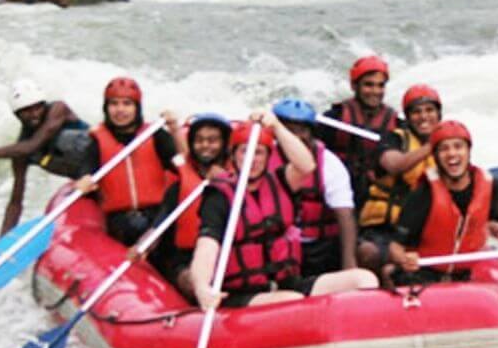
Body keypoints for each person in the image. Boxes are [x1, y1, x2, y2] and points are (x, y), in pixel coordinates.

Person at [190, 112, 377, 310]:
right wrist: (202, 287)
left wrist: (277, 127)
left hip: (287, 283)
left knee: (364, 279)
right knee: (291, 301)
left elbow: (306, 164)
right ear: (233, 155)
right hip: (243, 293)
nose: (253, 160)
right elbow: (206, 247)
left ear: (269, 156)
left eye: (259, 153)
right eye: (245, 152)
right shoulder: (218, 197)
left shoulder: (281, 181)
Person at [385, 120, 498, 287]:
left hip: (465, 274)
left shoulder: (488, 185)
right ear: (435, 156)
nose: (452, 154)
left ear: (468, 151)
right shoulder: (424, 193)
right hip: (424, 274)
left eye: (458, 147)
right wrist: (404, 259)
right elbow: (395, 246)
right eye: (444, 149)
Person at [0, 81, 92, 236]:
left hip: (107, 162)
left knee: (63, 139)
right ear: (17, 115)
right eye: (27, 111)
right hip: (86, 182)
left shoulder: (58, 109)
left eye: (38, 107)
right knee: (27, 154)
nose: (34, 114)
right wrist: (3, 241)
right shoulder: (20, 152)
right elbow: (15, 202)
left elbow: (32, 146)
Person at [75, 76, 185, 247]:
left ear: (137, 108)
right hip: (120, 220)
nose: (120, 110)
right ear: (106, 108)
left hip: (157, 215)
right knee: (129, 229)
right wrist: (84, 180)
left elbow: (185, 165)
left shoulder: (155, 135)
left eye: (127, 104)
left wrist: (175, 130)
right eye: (114, 104)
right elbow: (86, 169)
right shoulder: (97, 140)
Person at [356, 83, 442, 272]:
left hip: (422, 229)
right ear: (408, 118)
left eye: (430, 110)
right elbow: (395, 165)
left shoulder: (448, 149)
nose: (424, 117)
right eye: (416, 112)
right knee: (369, 253)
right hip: (384, 229)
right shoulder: (393, 139)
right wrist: (432, 146)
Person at [268, 98, 359, 276]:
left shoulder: (330, 164)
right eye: (288, 130)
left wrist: (349, 262)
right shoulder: (262, 159)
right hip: (276, 246)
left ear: (311, 133)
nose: (295, 136)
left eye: (301, 130)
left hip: (318, 249)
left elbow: (345, 215)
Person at [149, 113, 232, 301]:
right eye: (199, 140)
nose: (205, 146)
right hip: (184, 258)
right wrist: (141, 247)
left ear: (224, 144)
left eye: (212, 141)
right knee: (192, 280)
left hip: (227, 257)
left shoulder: (238, 180)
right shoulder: (180, 184)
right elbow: (158, 226)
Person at [315, 55, 401, 211]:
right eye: (368, 85)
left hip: (373, 193)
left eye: (380, 86)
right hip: (338, 188)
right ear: (354, 86)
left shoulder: (397, 124)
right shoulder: (334, 118)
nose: (375, 91)